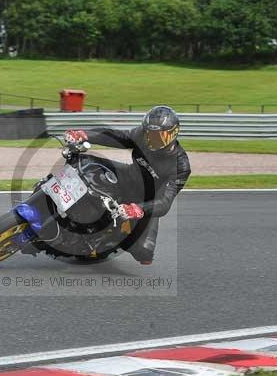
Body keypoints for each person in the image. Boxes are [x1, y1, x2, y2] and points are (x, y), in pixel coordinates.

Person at [64, 105, 191, 265]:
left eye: (158, 136)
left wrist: (138, 209)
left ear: (172, 134)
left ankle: (106, 240)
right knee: (86, 162)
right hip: (129, 177)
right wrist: (84, 134)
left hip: (146, 200)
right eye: (149, 134)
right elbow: (116, 136)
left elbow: (165, 203)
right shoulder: (141, 136)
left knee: (144, 252)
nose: (151, 140)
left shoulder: (180, 165)